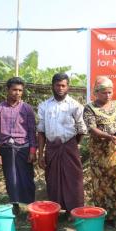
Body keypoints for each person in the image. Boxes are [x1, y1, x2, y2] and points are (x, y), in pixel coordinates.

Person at [37, 73, 87, 218]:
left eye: (63, 85)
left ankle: (74, 211)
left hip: (69, 146)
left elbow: (81, 129)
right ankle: (56, 209)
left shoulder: (75, 106)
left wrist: (71, 144)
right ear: (52, 86)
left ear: (68, 87)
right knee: (53, 180)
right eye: (57, 85)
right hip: (52, 147)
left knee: (74, 179)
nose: (60, 88)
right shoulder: (44, 106)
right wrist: (41, 154)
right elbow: (41, 131)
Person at [83, 76, 116, 228]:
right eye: (104, 93)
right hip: (99, 153)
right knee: (100, 185)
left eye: (109, 92)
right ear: (96, 93)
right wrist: (109, 136)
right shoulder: (90, 108)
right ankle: (101, 216)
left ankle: (115, 216)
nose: (107, 96)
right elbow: (92, 128)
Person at [0, 77, 37, 215]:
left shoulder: (27, 108)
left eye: (20, 90)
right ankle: (14, 205)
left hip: (24, 147)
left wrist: (33, 151)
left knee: (27, 178)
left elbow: (31, 130)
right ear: (8, 90)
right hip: (6, 148)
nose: (17, 93)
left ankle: (30, 207)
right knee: (10, 177)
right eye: (14, 90)